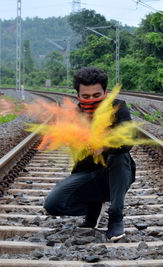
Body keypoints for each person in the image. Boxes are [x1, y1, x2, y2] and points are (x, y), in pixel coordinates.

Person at [43, 67, 136, 241]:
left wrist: (105, 146)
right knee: (53, 204)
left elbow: (129, 140)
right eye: (85, 97)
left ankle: (116, 216)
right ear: (78, 95)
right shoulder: (74, 116)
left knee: (119, 156)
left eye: (96, 95)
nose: (91, 100)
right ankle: (93, 208)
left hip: (116, 174)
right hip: (88, 173)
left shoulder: (118, 108)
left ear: (105, 93)